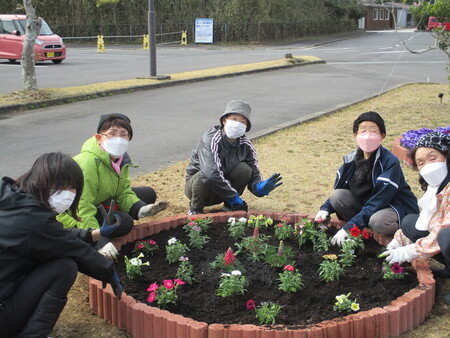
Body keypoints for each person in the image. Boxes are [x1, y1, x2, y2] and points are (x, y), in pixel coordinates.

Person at [0, 153, 123, 337]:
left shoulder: (11, 198)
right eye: (61, 185)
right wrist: (107, 269)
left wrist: (95, 234)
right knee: (64, 267)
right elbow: (66, 245)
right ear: (41, 180)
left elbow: (56, 237)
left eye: (72, 187)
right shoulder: (36, 222)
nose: (67, 192)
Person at [58, 113, 167, 245]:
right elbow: (82, 206)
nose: (118, 139)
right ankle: (100, 228)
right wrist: (98, 240)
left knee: (148, 194)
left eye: (123, 134)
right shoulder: (88, 162)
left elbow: (122, 192)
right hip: (72, 212)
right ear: (99, 137)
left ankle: (120, 213)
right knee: (125, 223)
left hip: (100, 199)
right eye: (112, 133)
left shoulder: (120, 159)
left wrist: (140, 209)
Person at [315, 111, 419, 245]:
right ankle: (364, 228)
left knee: (378, 221)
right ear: (355, 135)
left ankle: (400, 232)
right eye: (363, 131)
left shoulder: (389, 162)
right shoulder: (351, 159)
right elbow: (341, 187)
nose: (367, 135)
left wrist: (348, 227)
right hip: (368, 206)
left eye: (373, 131)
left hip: (392, 207)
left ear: (382, 136)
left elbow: (380, 200)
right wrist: (325, 208)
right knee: (337, 196)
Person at [383, 131, 450, 304]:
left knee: (446, 236)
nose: (427, 166)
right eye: (421, 163)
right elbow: (426, 221)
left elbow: (442, 228)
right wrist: (398, 241)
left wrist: (411, 251)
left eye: (433, 158)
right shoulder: (435, 188)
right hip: (441, 232)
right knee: (409, 223)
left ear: (446, 156)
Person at [185, 99, 283, 215]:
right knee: (205, 173)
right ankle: (195, 209)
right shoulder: (210, 139)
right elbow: (210, 174)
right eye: (234, 119)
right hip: (199, 190)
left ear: (246, 126)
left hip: (223, 191)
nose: (238, 124)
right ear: (224, 121)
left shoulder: (246, 145)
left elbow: (253, 171)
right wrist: (234, 197)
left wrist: (258, 187)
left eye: (243, 121)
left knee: (245, 169)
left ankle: (229, 207)